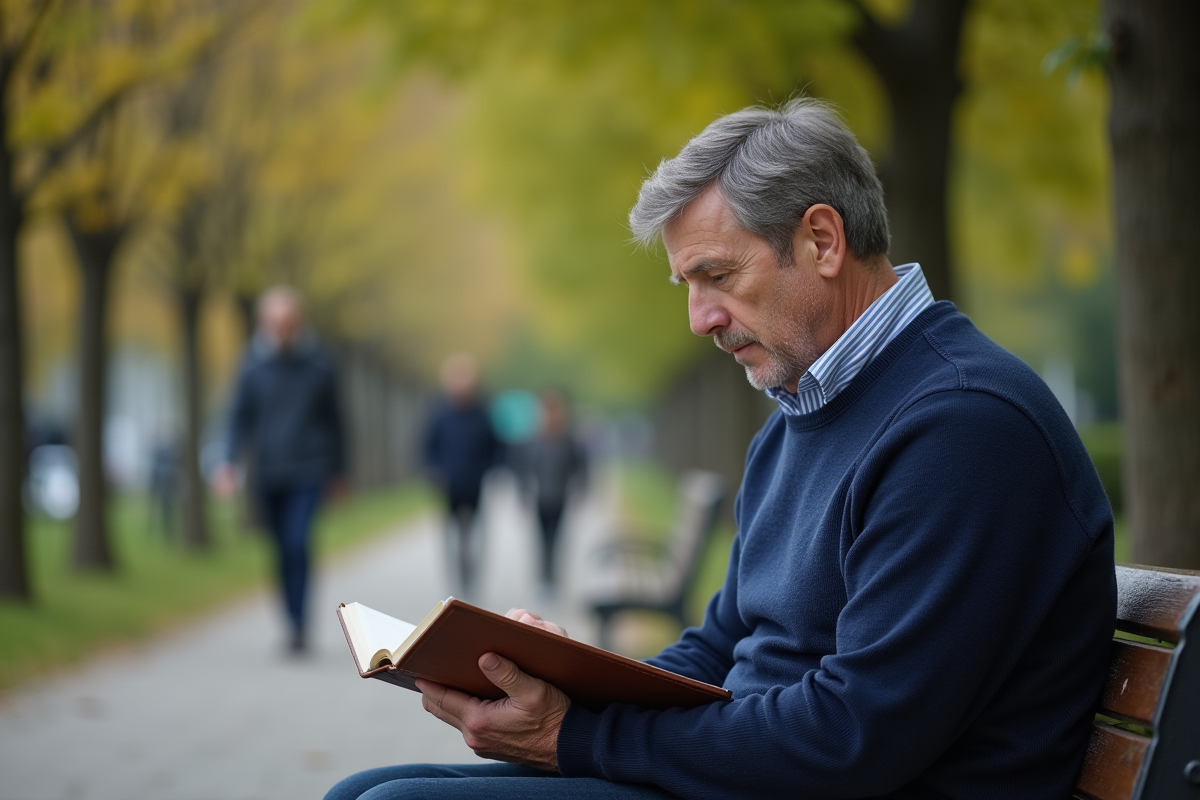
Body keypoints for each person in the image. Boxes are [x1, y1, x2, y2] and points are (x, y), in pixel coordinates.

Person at [326, 98, 1116, 799]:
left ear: (821, 240)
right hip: (765, 775)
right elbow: (722, 645)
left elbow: (853, 740)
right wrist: (568, 691)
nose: (701, 319)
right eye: (687, 287)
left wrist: (578, 737)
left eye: (717, 276)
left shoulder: (963, 428)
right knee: (367, 786)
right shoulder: (801, 414)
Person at [214, 286, 346, 655]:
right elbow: (238, 419)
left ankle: (300, 624)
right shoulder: (252, 365)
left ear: (298, 323)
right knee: (278, 548)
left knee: (298, 542)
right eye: (275, 324)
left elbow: (337, 421)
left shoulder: (321, 365)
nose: (282, 331)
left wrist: (338, 472)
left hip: (309, 468)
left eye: (288, 324)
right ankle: (290, 618)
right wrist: (227, 462)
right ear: (265, 325)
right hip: (269, 471)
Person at [421, 353, 501, 596]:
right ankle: (457, 578)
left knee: (474, 536)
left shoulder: (482, 414)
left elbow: (495, 447)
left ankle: (471, 577)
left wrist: (489, 470)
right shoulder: (439, 414)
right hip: (449, 486)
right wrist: (434, 470)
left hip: (475, 485)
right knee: (452, 538)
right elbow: (427, 447)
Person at [523, 389, 587, 595]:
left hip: (559, 498)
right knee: (541, 541)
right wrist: (524, 492)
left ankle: (553, 579)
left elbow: (580, 468)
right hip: (540, 499)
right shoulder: (536, 440)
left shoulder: (568, 441)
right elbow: (526, 469)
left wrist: (580, 491)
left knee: (556, 541)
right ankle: (543, 579)